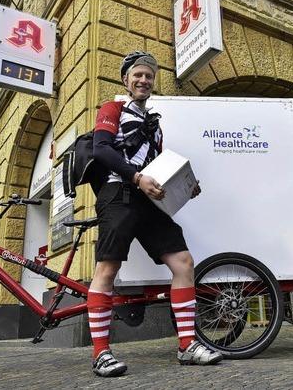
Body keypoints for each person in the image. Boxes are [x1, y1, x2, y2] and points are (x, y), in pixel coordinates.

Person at [87, 51, 223, 377]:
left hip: (148, 201)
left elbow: (157, 171)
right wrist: (136, 177)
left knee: (184, 263)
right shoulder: (113, 109)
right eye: (138, 75)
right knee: (108, 268)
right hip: (118, 194)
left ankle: (187, 345)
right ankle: (100, 354)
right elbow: (101, 149)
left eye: (148, 76)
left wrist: (183, 186)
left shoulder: (155, 125)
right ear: (126, 80)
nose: (143, 80)